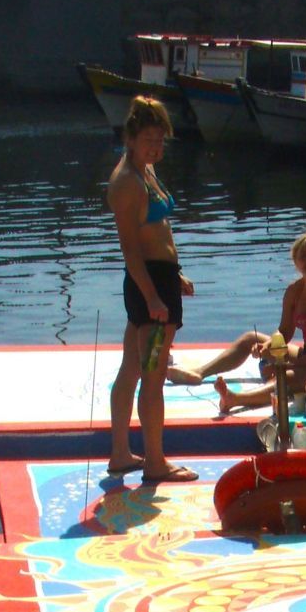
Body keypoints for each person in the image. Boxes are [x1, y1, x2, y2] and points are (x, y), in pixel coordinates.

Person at [106, 95, 198, 481]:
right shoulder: (127, 182)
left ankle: (120, 455)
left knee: (132, 368)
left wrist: (175, 275)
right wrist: (154, 297)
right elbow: (131, 250)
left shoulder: (145, 171)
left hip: (160, 279)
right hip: (150, 286)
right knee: (153, 376)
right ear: (130, 138)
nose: (156, 147)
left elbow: (158, 231)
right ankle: (155, 462)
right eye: (148, 140)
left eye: (160, 140)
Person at [175, 232, 306, 417]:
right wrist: (269, 345)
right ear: (295, 261)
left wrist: (287, 367)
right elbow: (285, 331)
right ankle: (200, 372)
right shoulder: (294, 291)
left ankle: (235, 399)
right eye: (304, 256)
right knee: (250, 339)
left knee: (285, 377)